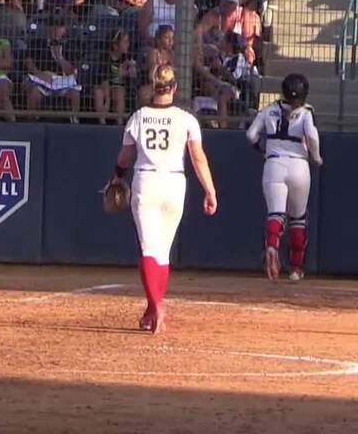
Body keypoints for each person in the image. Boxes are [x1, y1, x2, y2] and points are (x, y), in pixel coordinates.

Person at [106, 64, 218, 334]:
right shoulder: (186, 118)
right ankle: (151, 308)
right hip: (174, 183)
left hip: (147, 181)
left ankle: (156, 305)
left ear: (152, 85)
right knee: (162, 253)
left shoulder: (139, 116)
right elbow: (198, 158)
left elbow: (125, 157)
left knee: (148, 249)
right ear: (174, 87)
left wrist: (117, 176)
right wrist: (210, 190)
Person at [245, 73, 322, 281]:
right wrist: (316, 157)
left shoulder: (268, 110)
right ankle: (296, 269)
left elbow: (251, 135)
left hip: (274, 162)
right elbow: (313, 136)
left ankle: (272, 246)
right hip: (299, 165)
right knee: (298, 218)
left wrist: (261, 150)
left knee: (276, 213)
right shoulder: (306, 112)